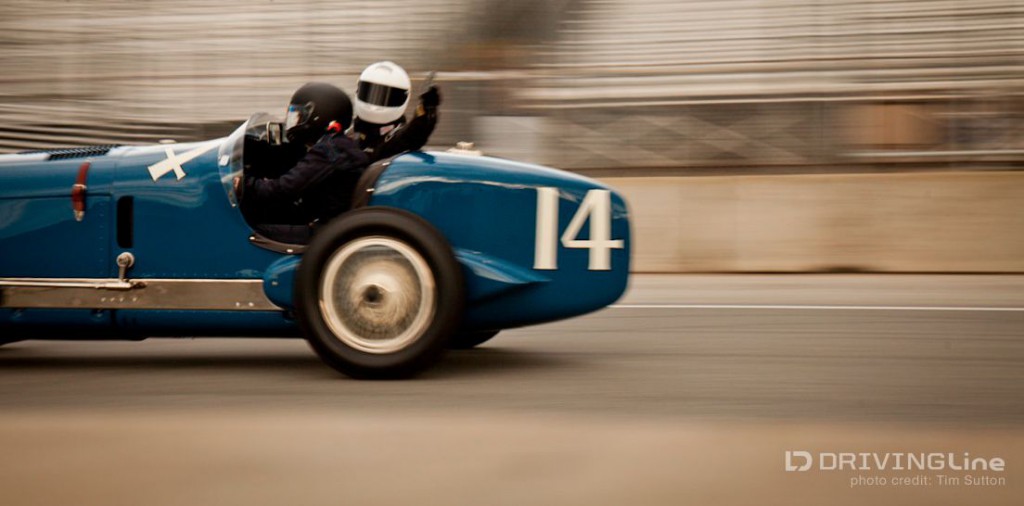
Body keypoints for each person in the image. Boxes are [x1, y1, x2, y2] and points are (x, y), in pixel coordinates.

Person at [239, 82, 369, 229]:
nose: (295, 123)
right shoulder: (335, 145)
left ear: (319, 117)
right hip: (322, 222)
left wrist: (241, 184)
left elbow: (281, 190)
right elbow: (293, 165)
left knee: (252, 229)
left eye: (300, 116)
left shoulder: (330, 150)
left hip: (321, 231)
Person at [352, 61, 441, 162]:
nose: (375, 105)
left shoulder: (396, 139)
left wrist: (428, 110)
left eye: (386, 97)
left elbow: (414, 134)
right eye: (369, 93)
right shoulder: (351, 132)